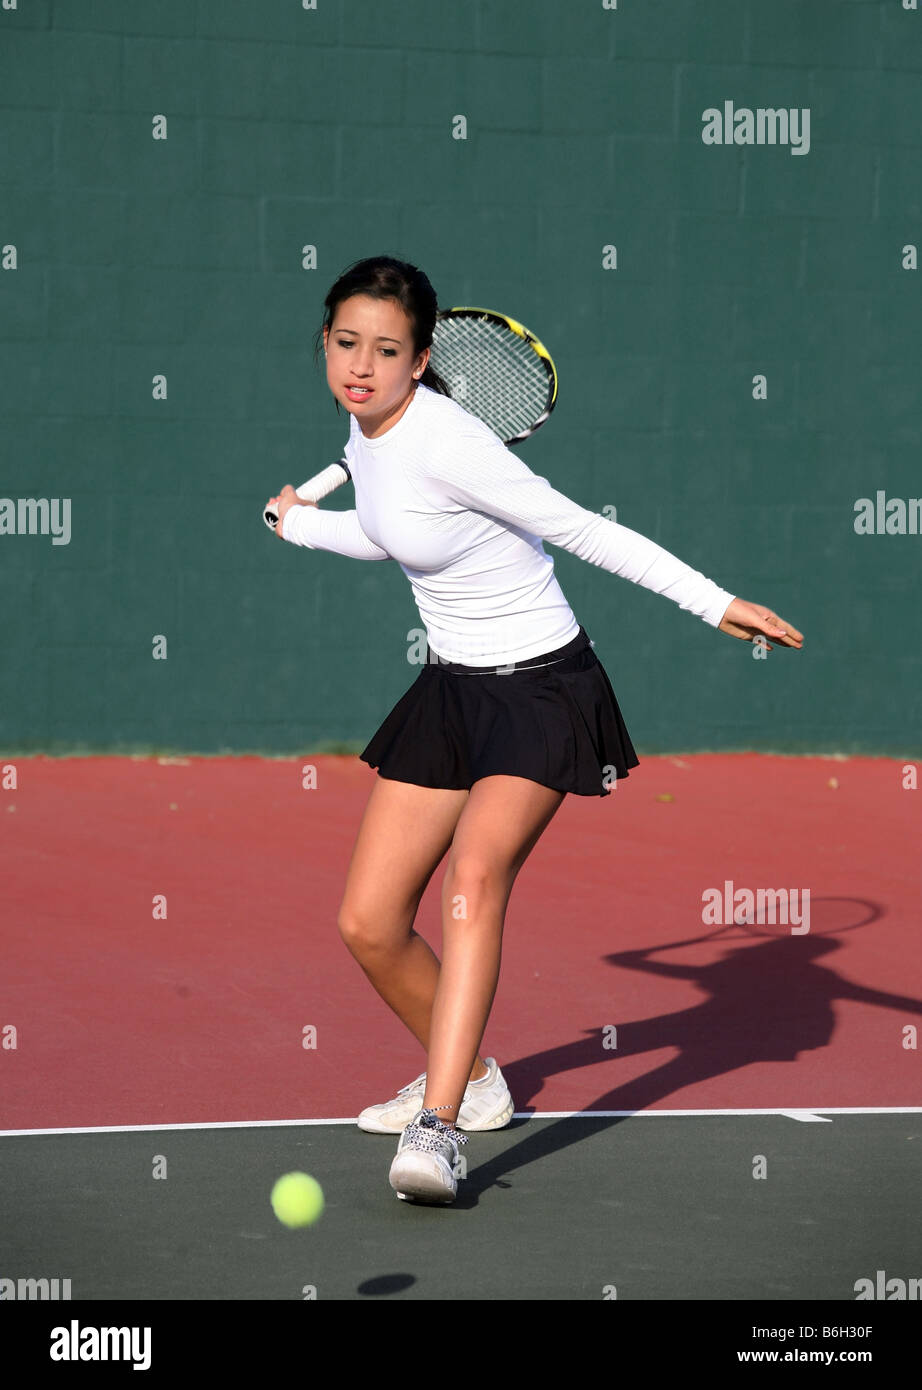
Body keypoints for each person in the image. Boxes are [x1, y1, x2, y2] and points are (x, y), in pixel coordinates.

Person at [266, 255, 804, 1206]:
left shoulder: (450, 441)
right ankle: (473, 1083)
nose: (363, 364)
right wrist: (304, 526)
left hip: (543, 689)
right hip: (452, 689)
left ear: (423, 358)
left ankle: (437, 1134)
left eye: (388, 350)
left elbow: (581, 529)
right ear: (325, 342)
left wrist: (713, 601)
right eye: (347, 343)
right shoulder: (367, 434)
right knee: (370, 922)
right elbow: (393, 533)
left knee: (473, 883)